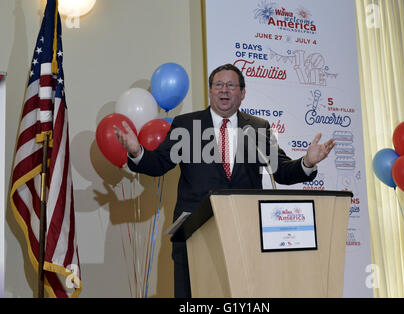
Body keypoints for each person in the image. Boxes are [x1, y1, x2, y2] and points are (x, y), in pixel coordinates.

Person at [114, 64, 335, 298]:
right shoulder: (186, 125)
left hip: (244, 238)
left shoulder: (258, 128)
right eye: (218, 85)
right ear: (210, 91)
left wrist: (307, 162)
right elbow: (158, 164)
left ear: (242, 93)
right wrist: (137, 151)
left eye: (231, 85)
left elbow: (281, 172)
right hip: (194, 236)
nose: (224, 90)